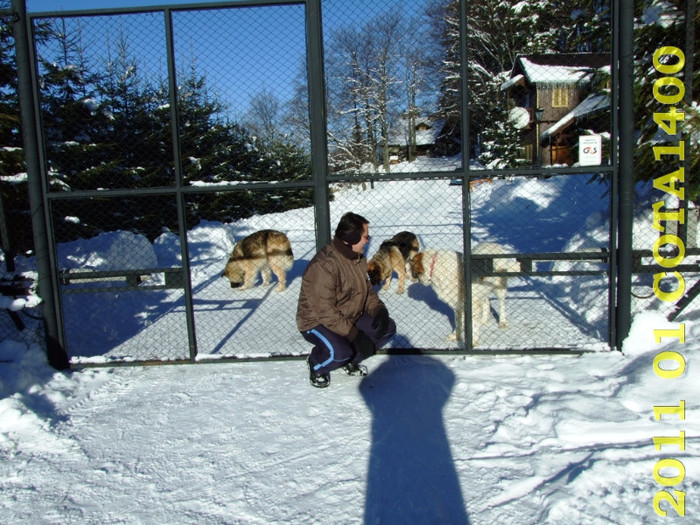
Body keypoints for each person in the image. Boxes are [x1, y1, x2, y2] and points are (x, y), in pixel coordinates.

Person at [296, 212, 396, 388]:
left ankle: (349, 360)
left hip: (346, 315)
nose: (368, 240)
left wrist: (379, 310)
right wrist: (355, 335)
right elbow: (324, 312)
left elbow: (367, 293)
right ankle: (316, 363)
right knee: (339, 352)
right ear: (351, 238)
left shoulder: (356, 259)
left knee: (386, 328)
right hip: (316, 322)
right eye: (365, 237)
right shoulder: (325, 265)